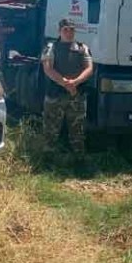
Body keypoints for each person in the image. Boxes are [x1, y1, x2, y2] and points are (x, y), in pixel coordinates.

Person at [40, 18, 94, 162]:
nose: (69, 33)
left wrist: (75, 82)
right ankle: (48, 161)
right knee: (51, 130)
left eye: (71, 30)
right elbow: (48, 68)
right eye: (65, 30)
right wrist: (65, 83)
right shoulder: (50, 47)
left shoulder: (82, 48)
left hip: (76, 96)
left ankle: (79, 161)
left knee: (78, 130)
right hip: (55, 95)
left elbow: (89, 68)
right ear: (59, 31)